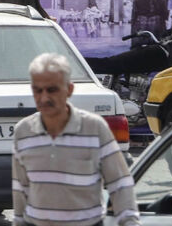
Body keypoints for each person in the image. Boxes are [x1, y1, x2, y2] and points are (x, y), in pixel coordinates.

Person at [11, 53, 140, 226]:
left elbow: (120, 183)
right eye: (37, 90)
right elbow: (20, 188)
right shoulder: (23, 132)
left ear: (69, 90)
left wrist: (130, 221)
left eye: (52, 90)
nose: (44, 98)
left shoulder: (95, 128)